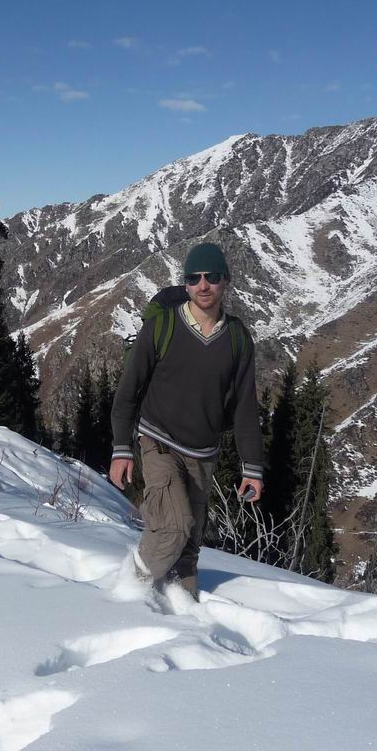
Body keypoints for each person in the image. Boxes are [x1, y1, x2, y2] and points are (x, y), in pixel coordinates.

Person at [108, 242, 264, 599]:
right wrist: (121, 449)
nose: (203, 285)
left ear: (226, 280)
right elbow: (128, 391)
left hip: (203, 455)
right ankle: (126, 593)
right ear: (185, 283)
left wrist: (252, 467)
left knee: (188, 551)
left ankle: (182, 616)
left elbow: (245, 406)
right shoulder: (162, 326)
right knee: (173, 528)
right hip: (158, 442)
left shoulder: (237, 338)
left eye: (211, 277)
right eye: (194, 278)